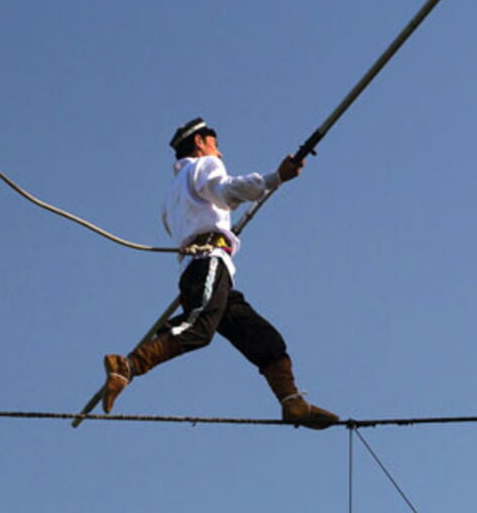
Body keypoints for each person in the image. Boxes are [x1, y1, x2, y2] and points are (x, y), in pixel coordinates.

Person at [100, 117, 338, 429]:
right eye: (215, 144)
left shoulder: (173, 194)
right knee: (198, 328)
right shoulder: (205, 165)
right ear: (199, 142)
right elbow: (225, 191)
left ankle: (291, 401)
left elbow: (199, 216)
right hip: (207, 262)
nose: (220, 153)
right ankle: (127, 366)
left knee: (265, 339)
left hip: (203, 269)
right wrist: (276, 177)